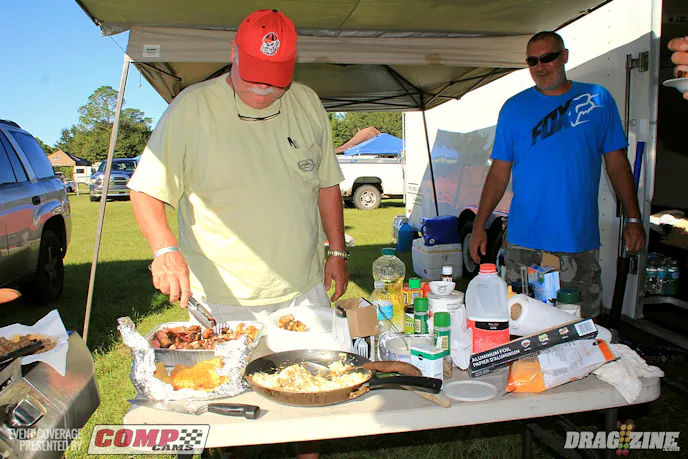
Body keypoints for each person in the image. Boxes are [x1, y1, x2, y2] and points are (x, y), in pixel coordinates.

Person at [128, 9, 348, 459]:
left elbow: (327, 185)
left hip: (302, 290)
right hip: (222, 297)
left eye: (275, 79)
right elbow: (146, 188)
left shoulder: (307, 104)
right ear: (233, 54)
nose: (264, 88)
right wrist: (165, 249)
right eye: (254, 76)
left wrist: (338, 253)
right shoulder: (192, 108)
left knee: (313, 396)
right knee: (230, 410)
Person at [469, 31, 645, 318]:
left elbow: (617, 164)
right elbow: (499, 172)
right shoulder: (513, 108)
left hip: (577, 243)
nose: (540, 67)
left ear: (564, 56)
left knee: (581, 327)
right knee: (521, 325)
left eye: (547, 58)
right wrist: (479, 225)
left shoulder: (598, 99)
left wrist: (634, 219)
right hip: (524, 243)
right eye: (532, 61)